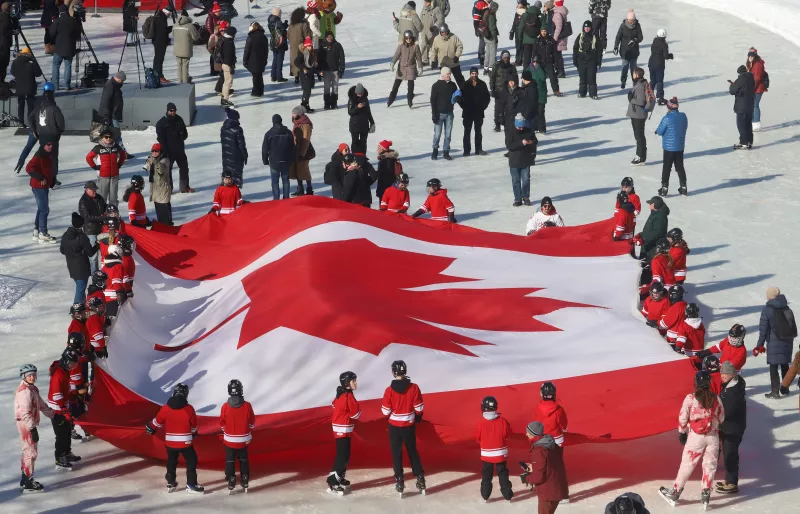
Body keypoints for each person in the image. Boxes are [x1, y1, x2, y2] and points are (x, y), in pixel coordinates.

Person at [658, 371, 724, 510]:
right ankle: (706, 494)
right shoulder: (715, 398)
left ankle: (676, 492)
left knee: (687, 464)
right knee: (709, 466)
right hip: (712, 436)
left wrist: (682, 432)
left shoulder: (691, 398)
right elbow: (722, 417)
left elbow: (683, 417)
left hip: (696, 437)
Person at [145, 384, 205, 494]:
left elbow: (157, 422)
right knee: (191, 461)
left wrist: (150, 427)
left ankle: (171, 482)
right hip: (185, 443)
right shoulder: (189, 409)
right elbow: (193, 426)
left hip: (170, 443)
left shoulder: (166, 408)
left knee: (172, 462)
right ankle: (191, 484)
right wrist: (193, 433)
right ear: (186, 395)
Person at [381, 360, 426, 496]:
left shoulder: (389, 390)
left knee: (396, 453)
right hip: (409, 425)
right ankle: (420, 479)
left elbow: (385, 411)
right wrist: (417, 417)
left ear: (394, 372)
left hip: (394, 426)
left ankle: (400, 481)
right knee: (413, 452)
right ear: (405, 371)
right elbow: (419, 408)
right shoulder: (414, 388)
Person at [15, 363, 54, 492]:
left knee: (29, 451)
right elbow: (25, 412)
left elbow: (41, 405)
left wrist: (53, 415)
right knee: (30, 452)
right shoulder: (24, 391)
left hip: (29, 423)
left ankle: (25, 477)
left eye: (34, 375)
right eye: (29, 375)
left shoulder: (33, 389)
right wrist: (32, 428)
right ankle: (28, 480)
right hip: (25, 424)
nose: (32, 377)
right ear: (24, 377)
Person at [709, 361, 746, 495]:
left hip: (732, 428)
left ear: (732, 374)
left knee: (730, 454)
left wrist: (715, 418)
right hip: (733, 427)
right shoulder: (735, 383)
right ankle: (729, 479)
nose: (722, 375)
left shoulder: (733, 392)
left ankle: (732, 483)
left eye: (725, 373)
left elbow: (727, 412)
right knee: (728, 453)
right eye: (722, 372)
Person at [754, 287, 797, 399]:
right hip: (787, 340)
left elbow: (763, 329)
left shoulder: (767, 309)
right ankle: (785, 388)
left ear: (769, 296)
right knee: (784, 363)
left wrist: (759, 345)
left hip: (774, 341)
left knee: (773, 367)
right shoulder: (787, 307)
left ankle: (775, 391)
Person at [523, 421, 569, 514]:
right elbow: (550, 465)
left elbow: (539, 477)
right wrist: (534, 467)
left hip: (548, 492)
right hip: (556, 487)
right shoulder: (551, 445)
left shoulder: (539, 450)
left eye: (527, 432)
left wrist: (527, 478)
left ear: (533, 434)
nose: (526, 434)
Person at [327, 372, 361, 495]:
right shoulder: (348, 395)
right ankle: (333, 481)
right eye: (353, 381)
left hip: (340, 428)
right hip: (343, 428)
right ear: (347, 383)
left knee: (342, 455)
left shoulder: (341, 393)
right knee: (343, 457)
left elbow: (333, 404)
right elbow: (356, 414)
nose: (356, 383)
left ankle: (338, 478)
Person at [48, 348, 82, 471]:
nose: (73, 366)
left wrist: (72, 395)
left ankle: (67, 453)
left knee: (67, 432)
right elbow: (57, 395)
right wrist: (64, 411)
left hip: (63, 406)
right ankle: (59, 457)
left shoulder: (65, 371)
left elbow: (65, 388)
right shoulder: (58, 374)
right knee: (61, 435)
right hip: (57, 410)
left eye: (74, 364)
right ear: (65, 361)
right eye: (71, 363)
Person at [219, 379, 255, 492]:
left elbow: (222, 424)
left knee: (230, 460)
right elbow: (252, 423)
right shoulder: (247, 405)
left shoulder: (225, 406)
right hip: (244, 440)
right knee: (243, 459)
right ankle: (244, 478)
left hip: (229, 440)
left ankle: (231, 478)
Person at [475, 396, 513, 502]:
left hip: (487, 455)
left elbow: (477, 438)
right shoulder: (502, 421)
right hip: (501, 454)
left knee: (487, 475)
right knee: (503, 474)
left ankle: (485, 495)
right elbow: (507, 435)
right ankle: (507, 495)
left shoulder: (480, 423)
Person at [26, 82, 65, 184]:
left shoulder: (39, 107)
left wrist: (34, 130)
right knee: (53, 158)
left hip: (42, 136)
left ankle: (44, 175)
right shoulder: (54, 108)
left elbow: (30, 118)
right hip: (52, 136)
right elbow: (61, 124)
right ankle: (53, 179)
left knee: (43, 157)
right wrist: (59, 132)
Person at [60, 213, 97, 304]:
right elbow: (90, 252)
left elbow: (62, 250)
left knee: (80, 288)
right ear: (82, 225)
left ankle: (82, 305)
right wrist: (97, 245)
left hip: (71, 266)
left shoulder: (65, 235)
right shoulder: (82, 237)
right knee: (80, 290)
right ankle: (76, 309)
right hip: (82, 267)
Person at [655, 97, 689, 196]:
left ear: (669, 107)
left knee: (667, 167)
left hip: (669, 148)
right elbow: (684, 127)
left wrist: (657, 130)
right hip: (680, 146)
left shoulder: (667, 118)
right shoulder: (683, 116)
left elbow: (660, 131)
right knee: (680, 167)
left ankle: (664, 188)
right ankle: (683, 187)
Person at [26, 139, 57, 244]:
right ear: (43, 145)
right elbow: (29, 168)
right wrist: (40, 178)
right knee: (44, 210)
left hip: (43, 186)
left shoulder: (48, 155)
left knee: (41, 209)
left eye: (51, 144)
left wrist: (52, 181)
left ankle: (36, 231)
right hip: (38, 186)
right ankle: (43, 233)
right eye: (48, 144)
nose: (50, 146)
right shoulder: (39, 155)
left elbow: (48, 169)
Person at [156, 103, 192, 193]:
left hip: (179, 149)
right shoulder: (162, 123)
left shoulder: (179, 119)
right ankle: (169, 188)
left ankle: (185, 187)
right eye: (171, 110)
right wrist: (165, 149)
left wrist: (181, 136)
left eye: (174, 110)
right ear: (168, 110)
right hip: (168, 151)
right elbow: (160, 138)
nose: (173, 112)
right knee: (168, 170)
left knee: (184, 167)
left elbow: (185, 133)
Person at [86, 129, 126, 206]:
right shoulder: (98, 147)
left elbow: (123, 155)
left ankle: (113, 215)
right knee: (102, 197)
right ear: (102, 138)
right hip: (103, 177)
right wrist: (95, 166)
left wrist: (119, 164)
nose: (108, 138)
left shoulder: (116, 146)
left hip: (114, 176)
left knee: (113, 198)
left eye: (110, 137)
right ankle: (102, 215)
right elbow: (88, 157)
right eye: (106, 137)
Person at [456, 67, 491, 156]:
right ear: (470, 74)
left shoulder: (482, 84)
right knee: (467, 132)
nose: (474, 75)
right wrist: (464, 107)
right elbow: (460, 99)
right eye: (472, 73)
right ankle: (466, 150)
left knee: (478, 132)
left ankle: (478, 149)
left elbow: (487, 97)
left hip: (479, 112)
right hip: (468, 113)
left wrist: (483, 107)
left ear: (477, 74)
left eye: (475, 73)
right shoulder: (465, 84)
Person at [261, 114, 296, 200]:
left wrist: (265, 160)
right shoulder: (288, 132)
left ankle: (276, 199)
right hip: (286, 161)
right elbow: (292, 147)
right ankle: (286, 198)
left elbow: (265, 149)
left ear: (273, 122)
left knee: (275, 181)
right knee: (286, 180)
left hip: (274, 162)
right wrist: (292, 159)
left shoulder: (269, 134)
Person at [506, 113, 536, 207]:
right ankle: (518, 198)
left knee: (526, 179)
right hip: (514, 161)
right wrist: (521, 143)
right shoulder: (510, 132)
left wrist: (531, 142)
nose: (521, 129)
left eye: (522, 127)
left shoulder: (529, 131)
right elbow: (509, 146)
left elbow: (535, 141)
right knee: (516, 180)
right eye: (519, 127)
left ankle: (526, 197)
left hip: (526, 159)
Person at [389, 30, 423, 108]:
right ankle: (391, 98)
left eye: (409, 38)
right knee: (396, 84)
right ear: (404, 38)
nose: (408, 39)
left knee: (411, 85)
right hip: (401, 67)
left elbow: (418, 58)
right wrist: (392, 63)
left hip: (411, 67)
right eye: (406, 38)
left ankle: (410, 99)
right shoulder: (401, 46)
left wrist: (420, 67)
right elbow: (397, 55)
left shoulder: (415, 46)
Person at [78, 181, 106, 273]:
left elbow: (105, 207)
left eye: (95, 190)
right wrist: (101, 218)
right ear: (87, 190)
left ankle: (104, 273)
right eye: (93, 190)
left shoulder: (99, 198)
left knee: (104, 252)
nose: (95, 192)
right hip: (90, 231)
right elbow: (87, 217)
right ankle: (95, 275)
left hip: (101, 229)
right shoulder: (83, 201)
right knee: (93, 256)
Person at [430, 67, 458, 160]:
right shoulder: (436, 86)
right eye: (447, 74)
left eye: (450, 74)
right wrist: (434, 113)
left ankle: (446, 151)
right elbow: (433, 100)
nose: (449, 76)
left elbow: (457, 95)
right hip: (439, 114)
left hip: (449, 113)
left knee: (448, 134)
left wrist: (458, 98)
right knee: (437, 134)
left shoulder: (453, 85)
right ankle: (435, 150)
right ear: (443, 75)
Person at [49, 5, 80, 90]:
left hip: (59, 48)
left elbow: (51, 33)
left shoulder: (57, 21)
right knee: (68, 66)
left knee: (56, 66)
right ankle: (67, 85)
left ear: (60, 12)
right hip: (70, 48)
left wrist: (53, 42)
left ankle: (56, 86)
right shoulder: (73, 21)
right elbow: (78, 34)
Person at [98, 72, 128, 155]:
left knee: (114, 133)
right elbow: (105, 100)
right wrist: (106, 115)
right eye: (122, 80)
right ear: (117, 78)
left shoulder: (115, 85)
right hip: (110, 114)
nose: (122, 82)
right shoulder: (110, 85)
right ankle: (122, 152)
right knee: (116, 133)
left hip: (113, 113)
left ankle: (120, 151)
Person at [10, 48, 42, 126]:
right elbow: (38, 73)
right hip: (30, 87)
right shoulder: (31, 62)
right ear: (29, 54)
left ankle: (21, 122)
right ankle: (30, 122)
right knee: (30, 105)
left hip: (19, 87)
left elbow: (12, 72)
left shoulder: (15, 61)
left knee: (21, 105)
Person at [144, 143, 173, 224]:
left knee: (165, 216)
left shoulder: (165, 160)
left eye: (156, 151)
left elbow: (161, 170)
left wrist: (155, 162)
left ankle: (168, 229)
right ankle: (162, 229)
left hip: (163, 192)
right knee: (160, 215)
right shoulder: (155, 160)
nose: (154, 153)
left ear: (161, 151)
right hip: (156, 192)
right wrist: (149, 162)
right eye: (152, 151)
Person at [613, 10, 642, 89]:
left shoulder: (637, 26)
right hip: (625, 51)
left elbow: (640, 37)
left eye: (632, 20)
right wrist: (616, 46)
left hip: (634, 52)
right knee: (624, 67)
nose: (630, 22)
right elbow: (618, 37)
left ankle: (635, 82)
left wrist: (635, 40)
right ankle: (623, 81)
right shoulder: (623, 26)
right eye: (629, 20)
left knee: (634, 69)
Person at [290, 105, 315, 196]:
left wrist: (302, 153)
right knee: (297, 169)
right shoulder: (297, 123)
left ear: (299, 114)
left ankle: (309, 189)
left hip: (304, 151)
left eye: (294, 113)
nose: (293, 115)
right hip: (296, 149)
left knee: (304, 169)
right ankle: (300, 188)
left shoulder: (306, 125)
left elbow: (306, 140)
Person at [490, 51, 519, 131]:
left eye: (507, 57)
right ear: (501, 57)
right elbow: (492, 77)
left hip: (509, 91)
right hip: (498, 90)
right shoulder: (496, 65)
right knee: (498, 109)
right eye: (504, 57)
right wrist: (492, 88)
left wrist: (516, 90)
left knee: (509, 108)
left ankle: (509, 123)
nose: (506, 59)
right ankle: (497, 124)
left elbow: (516, 79)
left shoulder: (512, 67)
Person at [220, 107, 248, 188]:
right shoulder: (238, 129)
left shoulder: (223, 128)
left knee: (228, 176)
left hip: (226, 157)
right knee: (236, 178)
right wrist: (245, 155)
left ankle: (227, 196)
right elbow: (241, 145)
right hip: (236, 158)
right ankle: (236, 197)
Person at [729, 65, 755, 150]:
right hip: (750, 105)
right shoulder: (751, 78)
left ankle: (744, 143)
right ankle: (749, 141)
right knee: (748, 124)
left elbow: (732, 91)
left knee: (741, 125)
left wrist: (732, 85)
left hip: (741, 106)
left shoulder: (740, 79)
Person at [626, 67, 649, 165]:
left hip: (638, 115)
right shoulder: (641, 83)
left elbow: (640, 101)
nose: (632, 74)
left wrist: (631, 99)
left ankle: (640, 157)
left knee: (639, 136)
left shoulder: (640, 86)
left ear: (637, 75)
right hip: (638, 114)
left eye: (634, 73)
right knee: (639, 136)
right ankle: (641, 156)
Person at [573, 21, 601, 99]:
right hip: (581, 60)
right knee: (582, 77)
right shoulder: (580, 36)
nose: (587, 29)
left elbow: (599, 50)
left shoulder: (595, 37)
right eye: (585, 27)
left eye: (588, 27)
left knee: (591, 77)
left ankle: (593, 94)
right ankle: (582, 93)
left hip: (592, 61)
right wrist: (574, 59)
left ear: (591, 28)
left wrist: (599, 61)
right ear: (583, 28)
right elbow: (575, 48)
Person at [319, 31, 345, 109]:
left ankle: (334, 103)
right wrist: (319, 70)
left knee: (335, 87)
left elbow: (342, 58)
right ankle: (327, 104)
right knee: (326, 87)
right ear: (325, 38)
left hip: (335, 70)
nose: (330, 38)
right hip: (326, 70)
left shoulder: (337, 45)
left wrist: (341, 69)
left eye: (331, 37)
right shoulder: (322, 46)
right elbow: (319, 59)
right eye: (328, 37)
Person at [347, 83, 375, 154]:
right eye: (358, 93)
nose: (360, 95)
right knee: (355, 143)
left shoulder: (365, 99)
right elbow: (350, 112)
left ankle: (363, 157)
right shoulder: (351, 99)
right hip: (354, 125)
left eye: (361, 93)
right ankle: (354, 157)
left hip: (364, 125)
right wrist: (357, 108)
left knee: (363, 143)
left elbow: (368, 112)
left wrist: (372, 123)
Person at [173, 10, 199, 84]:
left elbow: (173, 35)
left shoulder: (175, 24)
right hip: (186, 49)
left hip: (177, 49)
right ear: (187, 17)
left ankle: (180, 82)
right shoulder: (190, 26)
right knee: (185, 66)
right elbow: (195, 37)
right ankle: (185, 83)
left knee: (179, 66)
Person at [648, 29, 673, 105]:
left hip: (651, 63)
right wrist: (670, 56)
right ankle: (659, 98)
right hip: (659, 64)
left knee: (653, 80)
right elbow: (665, 56)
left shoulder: (654, 42)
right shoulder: (664, 44)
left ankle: (648, 95)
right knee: (659, 81)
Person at [243, 21, 268, 96]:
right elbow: (266, 50)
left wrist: (245, 60)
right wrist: (265, 59)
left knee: (255, 77)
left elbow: (247, 50)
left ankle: (256, 91)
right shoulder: (264, 37)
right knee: (259, 75)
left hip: (252, 60)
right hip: (261, 60)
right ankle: (260, 90)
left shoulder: (250, 37)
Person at [535, 27, 561, 97]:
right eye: (542, 31)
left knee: (553, 76)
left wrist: (555, 62)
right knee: (541, 78)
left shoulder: (551, 40)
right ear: (540, 32)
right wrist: (535, 61)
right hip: (540, 62)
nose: (543, 32)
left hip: (549, 61)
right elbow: (534, 52)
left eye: (545, 31)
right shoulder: (537, 40)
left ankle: (556, 91)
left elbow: (554, 52)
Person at [101, 244, 126, 319]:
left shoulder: (104, 267)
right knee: (114, 321)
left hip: (105, 296)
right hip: (114, 296)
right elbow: (117, 281)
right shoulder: (118, 266)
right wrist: (120, 293)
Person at [287, 7, 311, 83]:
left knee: (294, 60)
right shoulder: (303, 24)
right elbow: (307, 35)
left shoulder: (291, 25)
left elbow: (288, 35)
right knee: (302, 59)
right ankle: (303, 74)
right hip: (301, 45)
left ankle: (296, 76)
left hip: (293, 45)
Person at [516, 1, 541, 72]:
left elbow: (520, 28)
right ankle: (535, 72)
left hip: (526, 40)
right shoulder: (539, 15)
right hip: (536, 40)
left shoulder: (525, 15)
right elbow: (543, 27)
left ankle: (526, 72)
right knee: (535, 57)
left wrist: (520, 38)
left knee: (527, 57)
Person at [294, 36, 318, 112]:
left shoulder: (312, 53)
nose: (310, 47)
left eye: (310, 45)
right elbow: (296, 61)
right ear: (305, 46)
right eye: (308, 46)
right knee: (307, 91)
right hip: (304, 75)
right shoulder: (304, 53)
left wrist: (318, 72)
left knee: (308, 91)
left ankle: (305, 106)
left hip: (310, 74)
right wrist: (303, 68)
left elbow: (313, 65)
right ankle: (304, 106)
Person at [746, 48, 767, 132]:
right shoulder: (751, 63)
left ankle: (756, 123)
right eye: (749, 55)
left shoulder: (758, 64)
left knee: (755, 105)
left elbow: (757, 78)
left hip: (757, 88)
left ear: (755, 56)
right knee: (753, 105)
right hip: (754, 87)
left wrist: (752, 88)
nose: (750, 57)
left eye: (752, 55)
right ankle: (754, 122)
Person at [267, 8, 289, 82]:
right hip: (280, 43)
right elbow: (282, 32)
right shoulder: (277, 21)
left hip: (274, 42)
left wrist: (283, 26)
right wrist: (285, 27)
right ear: (278, 14)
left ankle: (273, 76)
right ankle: (279, 77)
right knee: (280, 60)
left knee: (275, 59)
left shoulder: (270, 20)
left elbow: (277, 29)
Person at [528, 57, 549, 133]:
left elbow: (543, 77)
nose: (535, 63)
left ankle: (542, 128)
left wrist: (538, 69)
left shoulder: (542, 69)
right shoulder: (529, 69)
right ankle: (534, 127)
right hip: (532, 94)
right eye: (534, 61)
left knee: (540, 111)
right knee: (533, 112)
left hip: (541, 94)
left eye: (536, 62)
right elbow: (525, 79)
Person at [151, 8, 173, 83]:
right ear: (166, 12)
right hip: (160, 42)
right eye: (169, 14)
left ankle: (156, 74)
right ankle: (159, 76)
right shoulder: (162, 19)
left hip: (157, 41)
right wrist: (173, 27)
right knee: (159, 59)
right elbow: (164, 32)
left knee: (157, 59)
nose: (169, 16)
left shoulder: (159, 16)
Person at [419, 0, 442, 67]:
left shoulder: (436, 9)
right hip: (424, 31)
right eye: (425, 1)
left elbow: (441, 19)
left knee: (434, 46)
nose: (425, 3)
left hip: (433, 31)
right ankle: (425, 60)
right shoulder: (424, 8)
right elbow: (421, 18)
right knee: (424, 45)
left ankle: (435, 60)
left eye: (427, 2)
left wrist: (435, 26)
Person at [220, 25, 237, 106]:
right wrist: (231, 66)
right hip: (228, 65)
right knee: (228, 82)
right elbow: (229, 56)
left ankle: (223, 97)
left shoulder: (224, 40)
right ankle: (225, 99)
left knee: (226, 82)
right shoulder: (229, 42)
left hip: (225, 63)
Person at [481, 2, 499, 75]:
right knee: (492, 54)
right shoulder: (491, 16)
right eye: (497, 8)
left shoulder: (486, 13)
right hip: (491, 36)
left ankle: (486, 68)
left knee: (487, 53)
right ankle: (491, 69)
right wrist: (495, 37)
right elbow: (492, 28)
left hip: (486, 36)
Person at [550, 0, 568, 77]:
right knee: (558, 55)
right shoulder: (562, 11)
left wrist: (554, 38)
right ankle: (560, 70)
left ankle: (560, 71)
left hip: (558, 39)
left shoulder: (557, 14)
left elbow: (558, 27)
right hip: (561, 38)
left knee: (557, 56)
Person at [510, 1, 527, 65]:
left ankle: (523, 60)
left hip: (524, 33)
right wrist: (512, 31)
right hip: (517, 32)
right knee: (518, 47)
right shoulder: (517, 13)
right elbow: (514, 23)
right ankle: (518, 60)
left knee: (523, 47)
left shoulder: (526, 13)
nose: (517, 5)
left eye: (519, 3)